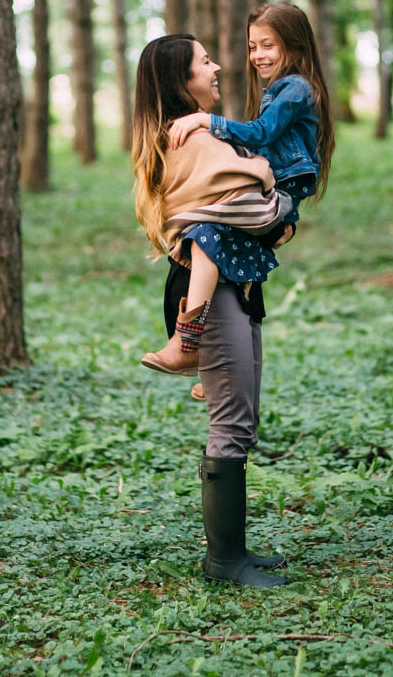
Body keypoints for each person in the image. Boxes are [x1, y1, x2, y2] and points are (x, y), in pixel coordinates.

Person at [130, 32, 290, 587]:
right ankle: (224, 561)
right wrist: (281, 205)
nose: (218, 66)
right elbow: (252, 205)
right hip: (212, 290)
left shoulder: (193, 136)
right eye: (205, 61)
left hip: (232, 283)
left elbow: (240, 210)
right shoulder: (193, 143)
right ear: (182, 79)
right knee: (232, 421)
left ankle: (233, 552)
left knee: (240, 416)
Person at [143, 4, 336, 402]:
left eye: (269, 45)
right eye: (253, 46)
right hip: (277, 194)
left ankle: (187, 342)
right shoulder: (278, 89)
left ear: (295, 46)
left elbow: (262, 133)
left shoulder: (295, 87)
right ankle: (201, 358)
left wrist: (206, 122)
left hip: (282, 190)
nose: (258, 56)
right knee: (213, 234)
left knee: (206, 233)